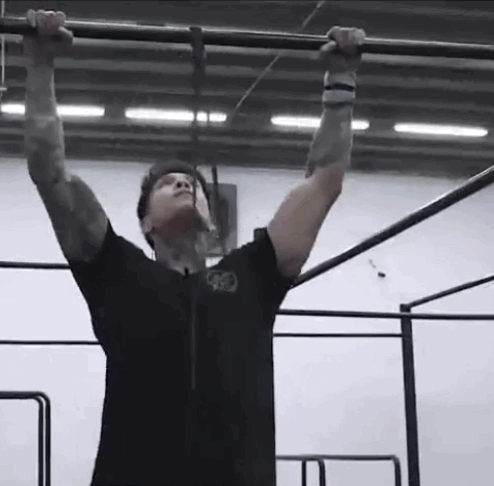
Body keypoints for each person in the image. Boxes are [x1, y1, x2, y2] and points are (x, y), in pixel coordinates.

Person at [22, 9, 364, 486]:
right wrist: (40, 66)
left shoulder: (253, 273)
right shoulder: (115, 272)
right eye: (167, 184)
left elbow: (325, 180)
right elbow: (50, 173)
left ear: (212, 219)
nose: (183, 183)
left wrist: (341, 80)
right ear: (145, 223)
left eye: (193, 184)